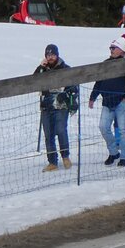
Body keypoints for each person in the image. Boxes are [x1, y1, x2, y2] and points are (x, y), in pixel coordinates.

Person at [88, 35, 125, 166]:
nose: (111, 50)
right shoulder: (105, 64)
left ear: (122, 51)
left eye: (114, 48)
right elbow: (99, 82)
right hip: (107, 102)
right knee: (103, 127)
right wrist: (92, 97)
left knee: (124, 130)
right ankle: (113, 152)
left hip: (122, 102)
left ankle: (124, 157)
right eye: (111, 48)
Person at [35, 43, 78, 171]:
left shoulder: (65, 68)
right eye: (48, 55)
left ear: (57, 55)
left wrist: (66, 96)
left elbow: (73, 87)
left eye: (52, 55)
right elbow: (32, 81)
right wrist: (40, 68)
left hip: (61, 104)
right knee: (48, 134)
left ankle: (65, 157)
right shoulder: (43, 69)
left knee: (60, 130)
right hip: (46, 105)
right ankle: (52, 162)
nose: (50, 57)